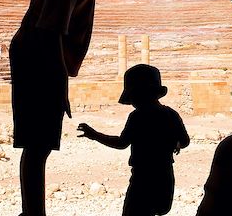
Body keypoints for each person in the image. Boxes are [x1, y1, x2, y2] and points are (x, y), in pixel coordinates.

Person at [10, 0, 184, 216]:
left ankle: (31, 212)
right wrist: (59, 85)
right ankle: (32, 213)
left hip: (38, 52)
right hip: (39, 55)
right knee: (38, 144)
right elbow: (50, 31)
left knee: (39, 143)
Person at [78, 64, 190, 216]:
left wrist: (95, 135)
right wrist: (176, 143)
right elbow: (185, 141)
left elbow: (121, 143)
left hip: (142, 179)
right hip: (165, 176)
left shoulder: (137, 117)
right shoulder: (171, 114)